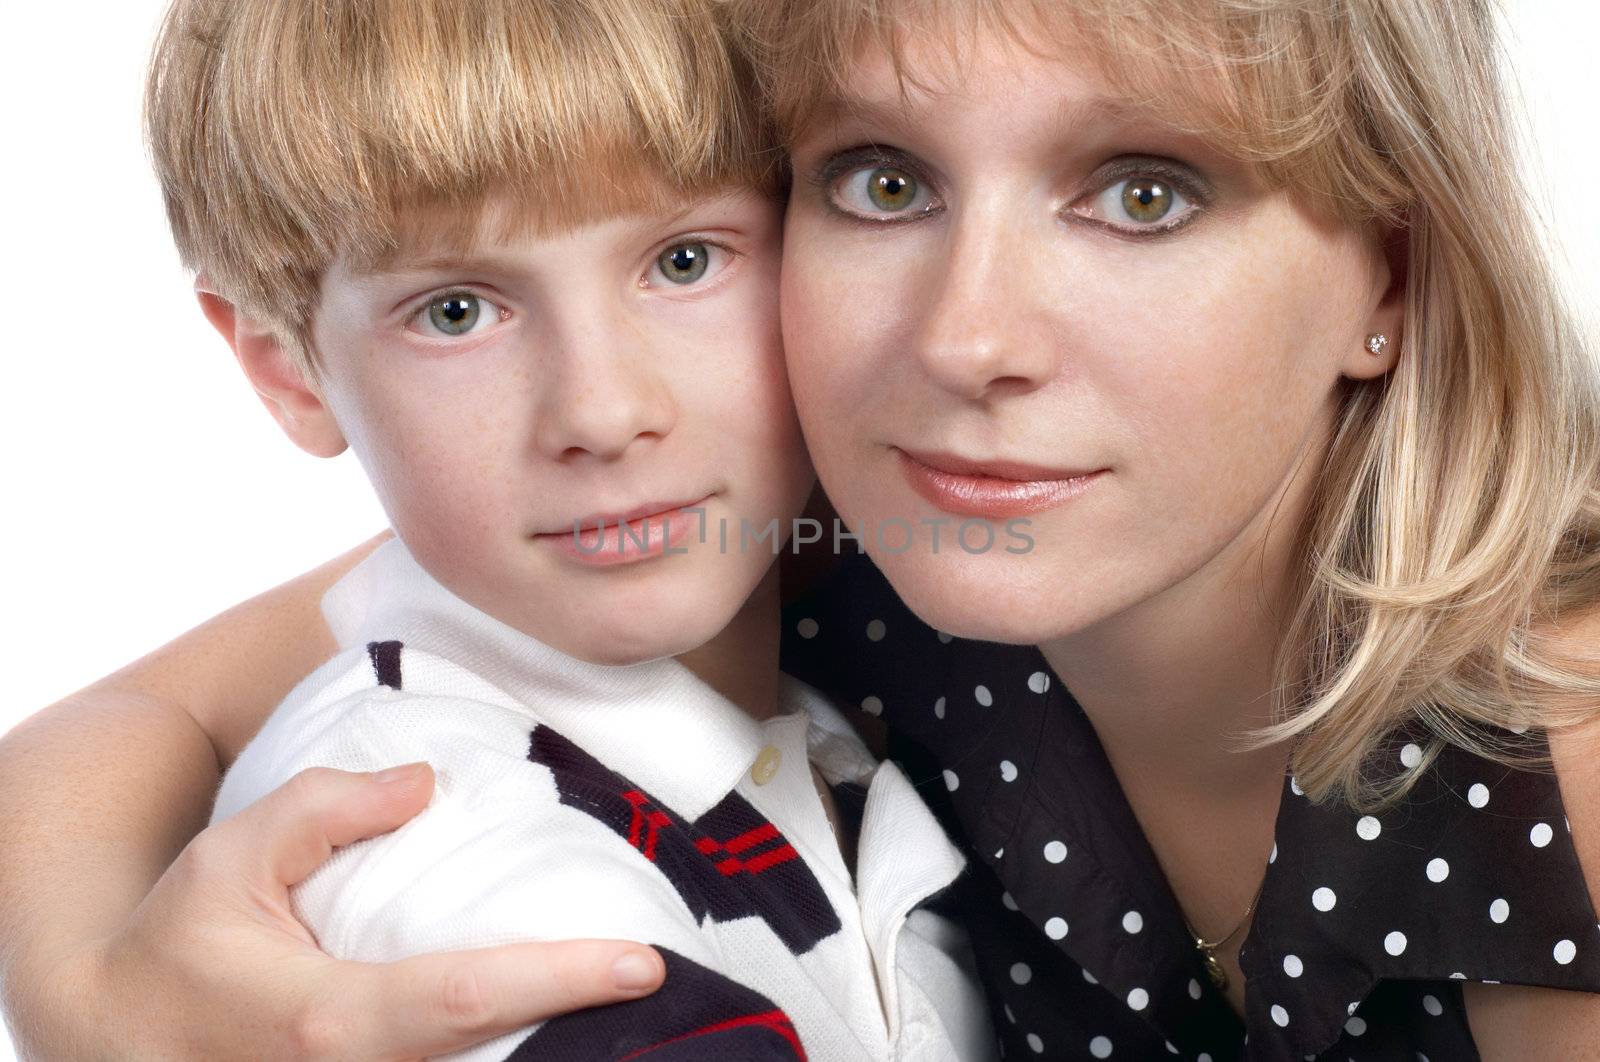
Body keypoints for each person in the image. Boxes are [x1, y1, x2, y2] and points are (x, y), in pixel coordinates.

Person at [4, 0, 1599, 1059]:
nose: (966, 340)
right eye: (883, 182)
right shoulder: (837, 537)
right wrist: (89, 997)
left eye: (1145, 193)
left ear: (1392, 275)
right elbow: (127, 721)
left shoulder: (1558, 753)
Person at [0, 0, 995, 1058]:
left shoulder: (823, 671)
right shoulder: (469, 865)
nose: (602, 413)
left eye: (687, 262)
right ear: (287, 370)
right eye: (456, 311)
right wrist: (76, 991)